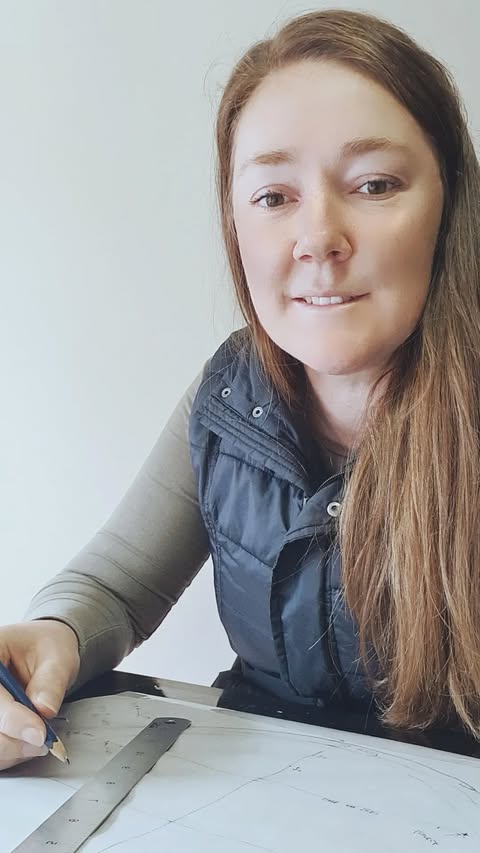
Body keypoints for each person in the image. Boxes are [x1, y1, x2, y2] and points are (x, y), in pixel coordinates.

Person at [2, 7, 480, 772]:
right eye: (274, 196)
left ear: (449, 204)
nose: (318, 237)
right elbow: (116, 585)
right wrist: (51, 635)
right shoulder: (230, 393)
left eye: (374, 183)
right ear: (235, 221)